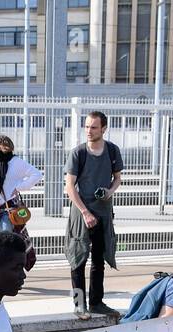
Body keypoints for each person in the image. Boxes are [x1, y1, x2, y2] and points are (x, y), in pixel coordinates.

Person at [65, 110, 123, 320]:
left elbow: (117, 179)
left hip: (103, 211)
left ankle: (97, 302)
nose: (89, 131)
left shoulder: (112, 151)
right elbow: (70, 187)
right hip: (81, 212)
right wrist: (85, 212)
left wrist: (109, 191)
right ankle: (79, 305)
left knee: (99, 259)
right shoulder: (78, 153)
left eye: (94, 127)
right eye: (87, 126)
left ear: (104, 129)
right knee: (78, 259)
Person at [0, 134, 42, 272]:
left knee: (6, 242)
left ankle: (10, 271)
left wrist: (19, 187)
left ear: (6, 148)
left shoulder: (16, 162)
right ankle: (0, 271)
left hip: (9, 210)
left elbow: (36, 174)